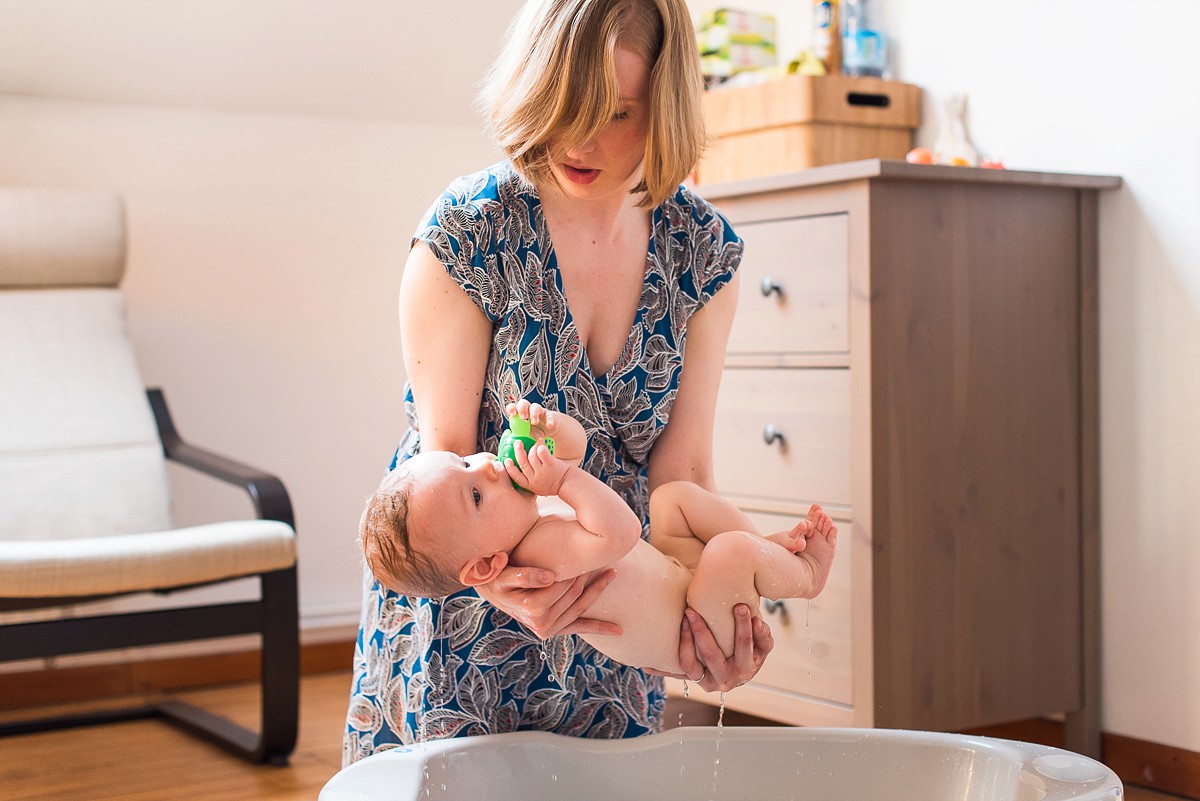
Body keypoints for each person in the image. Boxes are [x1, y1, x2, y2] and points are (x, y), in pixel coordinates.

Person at [344, 0, 771, 762]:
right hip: (475, 618)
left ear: (664, 110)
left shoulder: (702, 253)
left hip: (613, 612)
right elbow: (444, 462)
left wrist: (714, 612)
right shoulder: (468, 233)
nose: (580, 139)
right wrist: (507, 583)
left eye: (616, 113)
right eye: (567, 104)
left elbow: (684, 474)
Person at [359, 401, 838, 674]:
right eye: (476, 495)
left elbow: (574, 449)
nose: (485, 464)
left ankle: (766, 555)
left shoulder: (526, 517)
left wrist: (552, 429)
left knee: (673, 499)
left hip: (683, 580)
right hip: (691, 625)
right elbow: (622, 533)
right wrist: (564, 482)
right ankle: (804, 573)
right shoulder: (539, 552)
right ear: (484, 567)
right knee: (727, 552)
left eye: (465, 461)